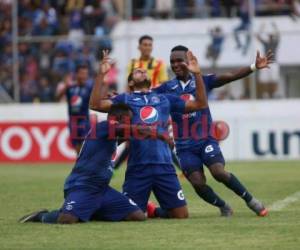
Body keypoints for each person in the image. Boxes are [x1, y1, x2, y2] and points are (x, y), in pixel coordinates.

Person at [152, 45, 273, 217]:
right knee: (197, 183)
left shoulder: (202, 80)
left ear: (189, 61)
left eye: (179, 60)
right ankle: (223, 205)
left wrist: (253, 67)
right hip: (184, 146)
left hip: (205, 139)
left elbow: (229, 77)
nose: (175, 64)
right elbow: (145, 95)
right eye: (172, 62)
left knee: (218, 172)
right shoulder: (165, 88)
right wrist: (118, 99)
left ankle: (250, 200)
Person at [89, 50, 208, 218]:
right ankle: (93, 209)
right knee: (132, 216)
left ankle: (153, 210)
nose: (142, 70)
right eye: (137, 71)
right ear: (130, 83)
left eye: (144, 70)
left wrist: (197, 75)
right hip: (138, 168)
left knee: (181, 215)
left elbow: (200, 103)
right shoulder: (124, 99)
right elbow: (95, 104)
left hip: (164, 166)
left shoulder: (165, 98)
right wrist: (101, 75)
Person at [19, 103, 161, 224]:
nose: (130, 123)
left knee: (138, 216)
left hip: (102, 189)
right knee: (66, 219)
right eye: (129, 120)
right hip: (82, 186)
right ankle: (42, 216)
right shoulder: (104, 126)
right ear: (118, 119)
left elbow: (130, 136)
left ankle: (87, 209)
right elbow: (132, 131)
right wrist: (150, 130)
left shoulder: (109, 137)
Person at [55, 65, 93, 154]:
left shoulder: (89, 88)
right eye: (82, 73)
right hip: (73, 121)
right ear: (76, 74)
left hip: (84, 120)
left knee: (85, 143)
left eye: (86, 74)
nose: (84, 76)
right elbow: (57, 98)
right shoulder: (70, 88)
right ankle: (79, 162)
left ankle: (83, 162)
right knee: (76, 144)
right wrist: (65, 86)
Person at [256, 22, 280, 98]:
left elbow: (279, 36)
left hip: (273, 62)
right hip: (266, 62)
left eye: (271, 36)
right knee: (264, 79)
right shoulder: (266, 43)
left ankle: (275, 93)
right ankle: (265, 93)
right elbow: (258, 36)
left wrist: (275, 26)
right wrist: (261, 27)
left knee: (274, 78)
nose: (270, 37)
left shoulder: (275, 43)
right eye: (270, 36)